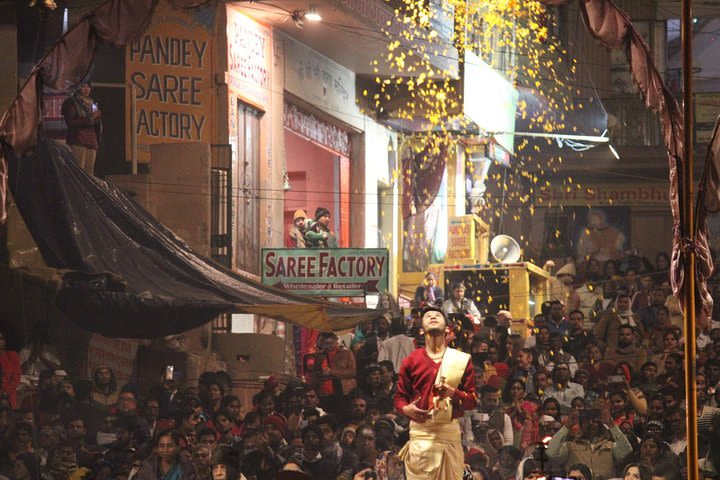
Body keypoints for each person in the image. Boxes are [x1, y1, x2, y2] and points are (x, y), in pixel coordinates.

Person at [394, 306, 477, 479]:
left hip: (449, 437)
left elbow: (472, 401)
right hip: (420, 439)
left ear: (447, 328)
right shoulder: (411, 360)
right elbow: (400, 397)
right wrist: (405, 409)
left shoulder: (461, 360)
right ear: (421, 330)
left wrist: (453, 393)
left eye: (437, 315)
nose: (432, 317)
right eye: (428, 316)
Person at [61, 80, 102, 175]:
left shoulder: (93, 102)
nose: (86, 89)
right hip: (78, 140)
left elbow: (96, 121)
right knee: (78, 171)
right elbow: (71, 122)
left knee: (89, 172)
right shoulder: (71, 102)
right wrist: (90, 119)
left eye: (88, 86)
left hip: (91, 142)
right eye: (83, 86)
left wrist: (97, 118)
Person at [0, 330, 21, 409]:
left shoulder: (12, 356)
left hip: (8, 396)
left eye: (1, 339)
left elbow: (15, 379)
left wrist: (4, 393)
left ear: (5, 341)